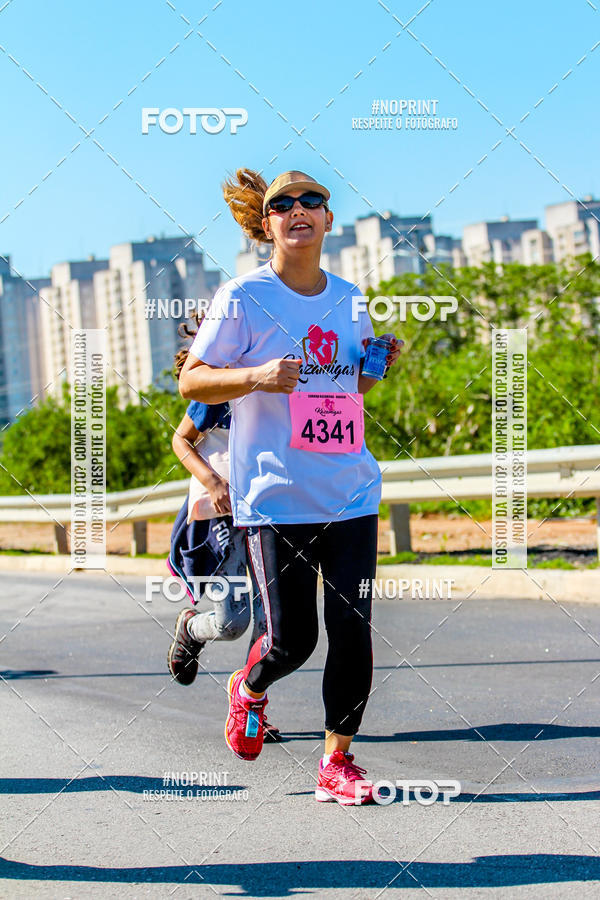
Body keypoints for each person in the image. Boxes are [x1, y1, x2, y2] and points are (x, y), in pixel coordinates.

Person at [179, 168, 402, 804]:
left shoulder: (351, 296)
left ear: (329, 220)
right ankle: (247, 689)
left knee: (353, 626)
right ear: (267, 224)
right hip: (273, 497)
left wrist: (377, 365)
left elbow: (348, 389)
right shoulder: (243, 297)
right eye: (284, 204)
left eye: (313, 201)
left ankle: (338, 761)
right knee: (290, 640)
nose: (298, 209)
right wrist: (257, 376)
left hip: (349, 491)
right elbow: (191, 383)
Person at [167, 316, 281, 741]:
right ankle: (191, 628)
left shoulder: (273, 384)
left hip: (269, 511)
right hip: (222, 518)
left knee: (272, 624)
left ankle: (252, 705)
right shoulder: (216, 389)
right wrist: (215, 483)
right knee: (233, 623)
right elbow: (180, 440)